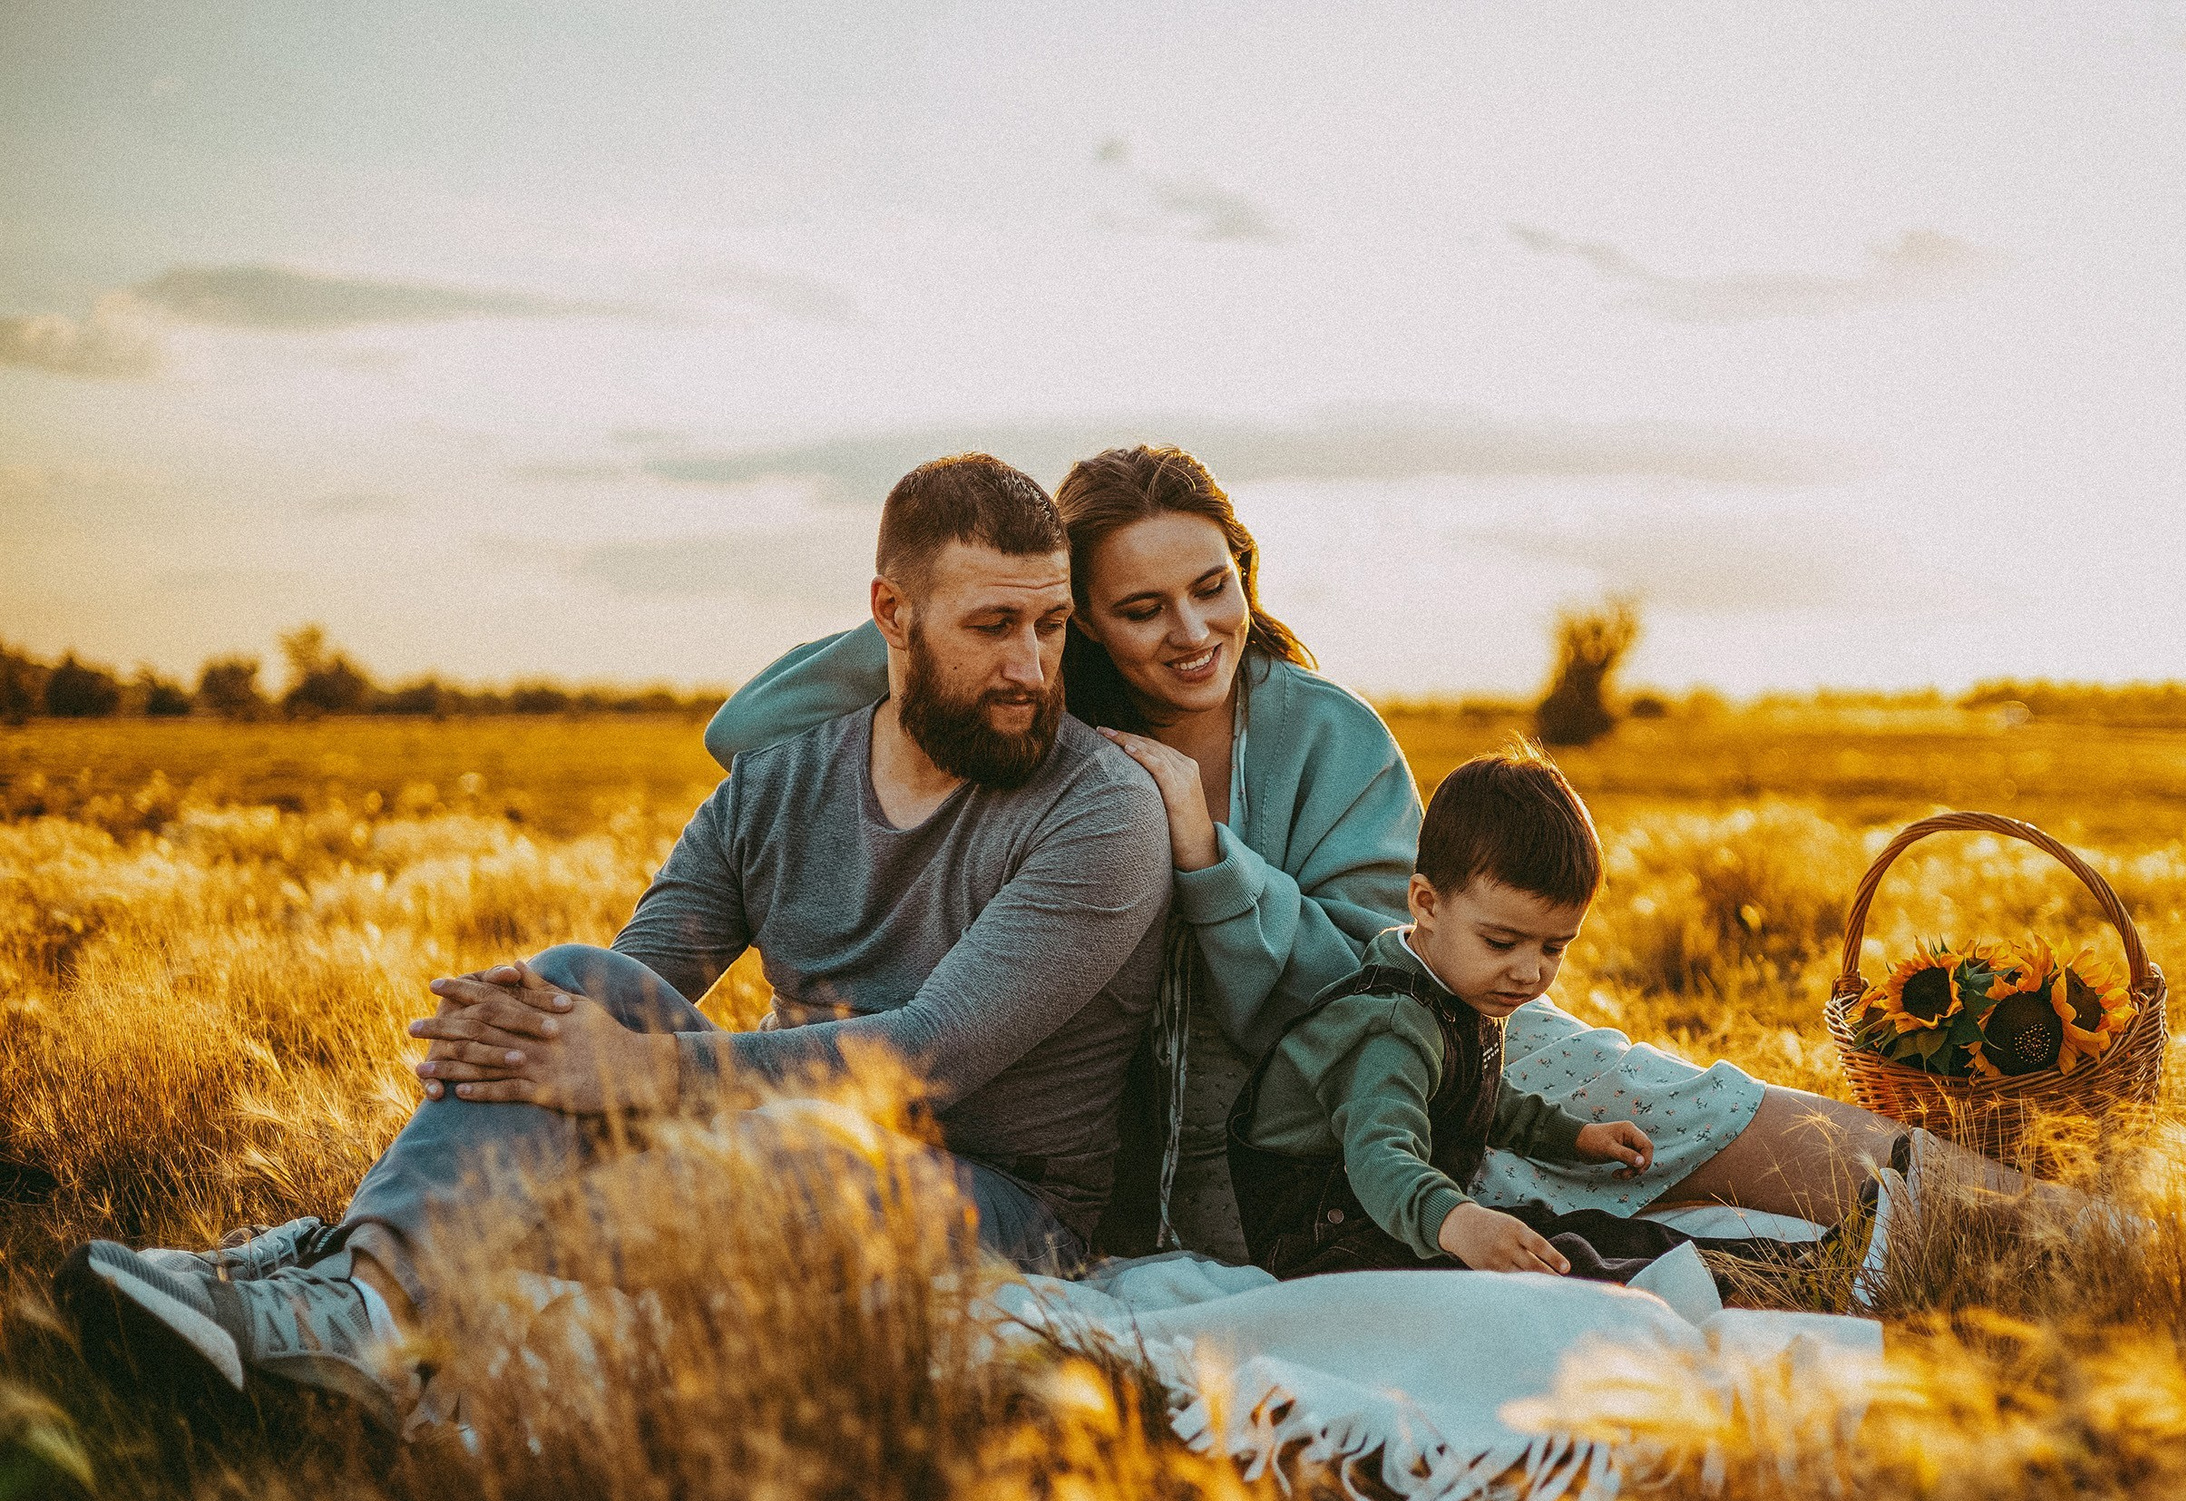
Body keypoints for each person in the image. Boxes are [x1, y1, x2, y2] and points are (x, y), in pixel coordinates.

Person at [704, 442, 2068, 1268]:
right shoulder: (1055, 731)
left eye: (1214, 585)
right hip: (1268, 1152)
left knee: (1704, 1118)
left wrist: (1207, 851)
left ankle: (2072, 1230)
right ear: (1082, 620)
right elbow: (746, 727)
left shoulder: (1324, 730)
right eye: (1134, 607)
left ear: (1249, 570)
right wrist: (932, 612)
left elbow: (1371, 982)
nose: (1190, 630)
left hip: (1429, 1043)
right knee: (1621, 1192)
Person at [57, 453, 1172, 1422]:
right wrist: (545, 1034)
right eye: (992, 627)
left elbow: (933, 1054)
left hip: (1002, 1196)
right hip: (792, 1130)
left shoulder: (1100, 811)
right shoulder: (781, 785)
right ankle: (360, 1305)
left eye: (1051, 623)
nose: (1032, 667)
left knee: (729, 1155)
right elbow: (630, 985)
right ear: (891, 613)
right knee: (571, 982)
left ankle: (330, 1265)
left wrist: (636, 1069)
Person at [1225, 748, 1704, 1282]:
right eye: (1502, 942)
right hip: (1327, 1244)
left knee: (1581, 1230)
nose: (1529, 973)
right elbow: (1379, 1157)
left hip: (1401, 1224)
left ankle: (1742, 1267)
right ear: (1426, 905)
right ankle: (1684, 1291)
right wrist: (1461, 1221)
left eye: (1553, 948)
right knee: (1555, 1269)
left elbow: (1479, 1095)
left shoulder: (1457, 988)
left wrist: (1573, 1138)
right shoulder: (1387, 1028)